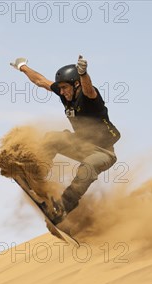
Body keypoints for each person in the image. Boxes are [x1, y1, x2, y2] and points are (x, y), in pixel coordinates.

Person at [10, 55, 121, 224]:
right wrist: (23, 67)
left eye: (64, 88)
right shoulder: (64, 94)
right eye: (60, 89)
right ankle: (35, 177)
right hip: (83, 145)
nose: (62, 92)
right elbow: (41, 81)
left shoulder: (90, 98)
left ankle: (62, 208)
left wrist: (83, 74)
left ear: (76, 84)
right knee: (54, 138)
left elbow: (88, 89)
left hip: (104, 153)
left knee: (88, 167)